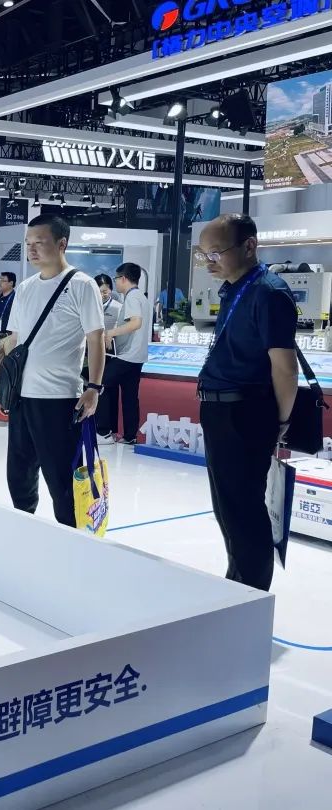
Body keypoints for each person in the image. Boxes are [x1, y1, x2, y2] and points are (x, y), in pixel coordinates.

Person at [197, 214, 297, 592]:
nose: (209, 262)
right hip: (221, 409)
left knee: (244, 510)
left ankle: (251, 595)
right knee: (228, 508)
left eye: (216, 253)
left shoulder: (269, 292)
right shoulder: (235, 288)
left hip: (245, 411)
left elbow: (284, 368)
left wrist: (280, 420)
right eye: (203, 255)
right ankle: (237, 585)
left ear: (249, 246)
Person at [0, 215, 105, 527]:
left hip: (59, 399)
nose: (31, 249)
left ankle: (72, 536)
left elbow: (96, 338)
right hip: (22, 397)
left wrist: (94, 387)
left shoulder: (81, 285)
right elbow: (14, 338)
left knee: (61, 478)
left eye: (39, 243)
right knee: (19, 473)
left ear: (61, 244)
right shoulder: (26, 288)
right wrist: (5, 382)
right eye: (28, 243)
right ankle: (24, 527)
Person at [97, 263, 153, 445]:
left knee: (101, 384)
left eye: (116, 279)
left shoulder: (132, 297)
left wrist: (110, 333)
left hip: (127, 356)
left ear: (123, 278)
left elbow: (136, 323)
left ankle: (104, 432)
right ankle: (130, 435)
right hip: (137, 357)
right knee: (130, 396)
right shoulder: (141, 297)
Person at [0, 271, 17, 368]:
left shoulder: (16, 298)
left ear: (11, 283)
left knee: (10, 367)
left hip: (10, 337)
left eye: (2, 281)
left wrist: (15, 337)